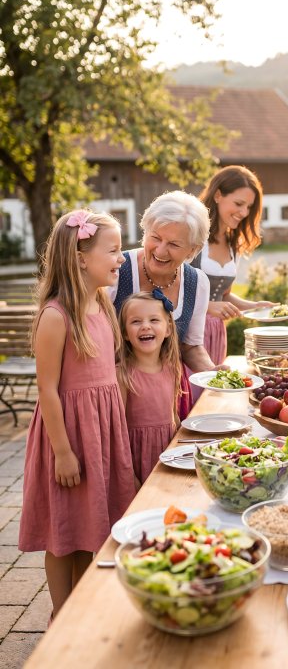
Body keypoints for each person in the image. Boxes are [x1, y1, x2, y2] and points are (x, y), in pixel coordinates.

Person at [18, 210, 136, 620]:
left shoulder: (101, 303)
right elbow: (47, 390)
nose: (122, 258)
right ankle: (60, 613)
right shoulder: (56, 316)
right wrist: (64, 452)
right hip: (67, 434)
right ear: (81, 256)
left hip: (100, 430)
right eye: (115, 250)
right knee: (64, 531)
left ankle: (82, 610)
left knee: (92, 527)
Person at [109, 190, 213, 418]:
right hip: (118, 398)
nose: (161, 250)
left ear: (193, 250)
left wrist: (215, 375)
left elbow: (190, 346)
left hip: (166, 401)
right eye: (155, 237)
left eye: (174, 244)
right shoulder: (115, 271)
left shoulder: (197, 283)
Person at [192, 166, 275, 364]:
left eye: (249, 207)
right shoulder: (193, 237)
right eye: (239, 204)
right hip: (189, 333)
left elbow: (225, 294)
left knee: (214, 391)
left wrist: (254, 307)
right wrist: (207, 307)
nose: (244, 212)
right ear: (218, 194)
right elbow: (168, 290)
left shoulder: (233, 246)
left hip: (216, 333)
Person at [117, 290, 181, 485]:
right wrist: (129, 476)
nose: (145, 326)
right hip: (135, 461)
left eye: (154, 320)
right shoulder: (122, 375)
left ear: (168, 329)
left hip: (168, 457)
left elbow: (174, 416)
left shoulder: (172, 368)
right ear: (125, 333)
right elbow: (116, 432)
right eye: (136, 322)